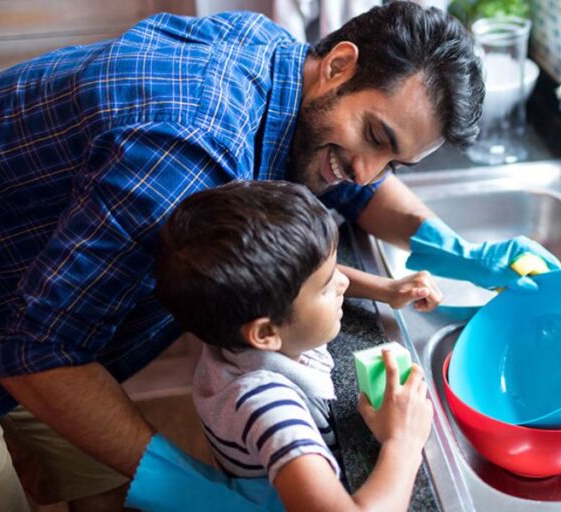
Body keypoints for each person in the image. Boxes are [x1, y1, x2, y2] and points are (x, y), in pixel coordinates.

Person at [0, 2, 561, 510]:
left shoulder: (283, 64)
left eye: (394, 158)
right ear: (338, 64)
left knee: (99, 476)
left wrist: (455, 251)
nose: (367, 171)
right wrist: (195, 491)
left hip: (48, 309)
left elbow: (350, 174)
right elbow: (36, 356)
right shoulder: (186, 152)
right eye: (375, 136)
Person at [154, 179, 434, 511]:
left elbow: (305, 276)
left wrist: (385, 289)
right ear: (265, 333)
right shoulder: (267, 405)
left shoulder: (233, 327)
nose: (343, 282)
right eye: (329, 286)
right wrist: (403, 442)